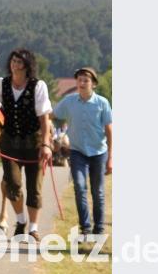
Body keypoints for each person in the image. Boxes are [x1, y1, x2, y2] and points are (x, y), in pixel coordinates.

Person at [0, 48, 54, 242]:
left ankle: (33, 228)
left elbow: (44, 117)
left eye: (19, 62)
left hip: (34, 142)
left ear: (27, 65)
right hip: (10, 142)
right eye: (13, 61)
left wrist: (46, 144)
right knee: (13, 185)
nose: (15, 64)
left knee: (34, 188)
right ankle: (20, 221)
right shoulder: (2, 84)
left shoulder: (38, 86)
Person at [52, 67, 113, 236]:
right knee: (79, 187)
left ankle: (98, 229)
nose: (82, 83)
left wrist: (111, 158)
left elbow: (109, 130)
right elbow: (51, 115)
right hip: (77, 152)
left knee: (98, 192)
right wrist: (47, 133)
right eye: (79, 80)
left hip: (99, 153)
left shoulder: (102, 103)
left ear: (93, 84)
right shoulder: (69, 101)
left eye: (86, 80)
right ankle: (85, 228)